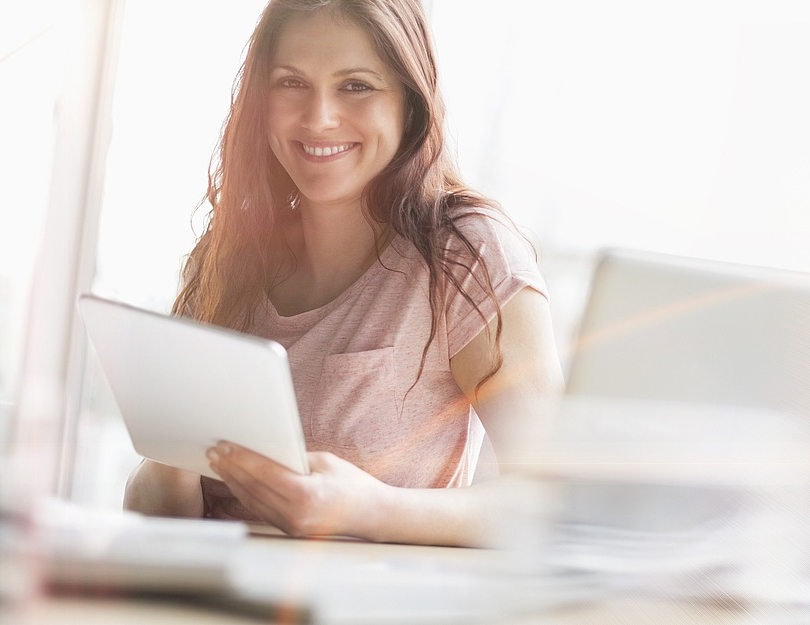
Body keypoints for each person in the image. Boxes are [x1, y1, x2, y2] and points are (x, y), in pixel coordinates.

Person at [122, 0, 563, 548]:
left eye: (356, 85)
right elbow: (157, 511)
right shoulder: (224, 257)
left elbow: (549, 503)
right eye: (291, 83)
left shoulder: (466, 255)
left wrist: (370, 509)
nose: (318, 118)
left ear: (410, 101)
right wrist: (171, 466)